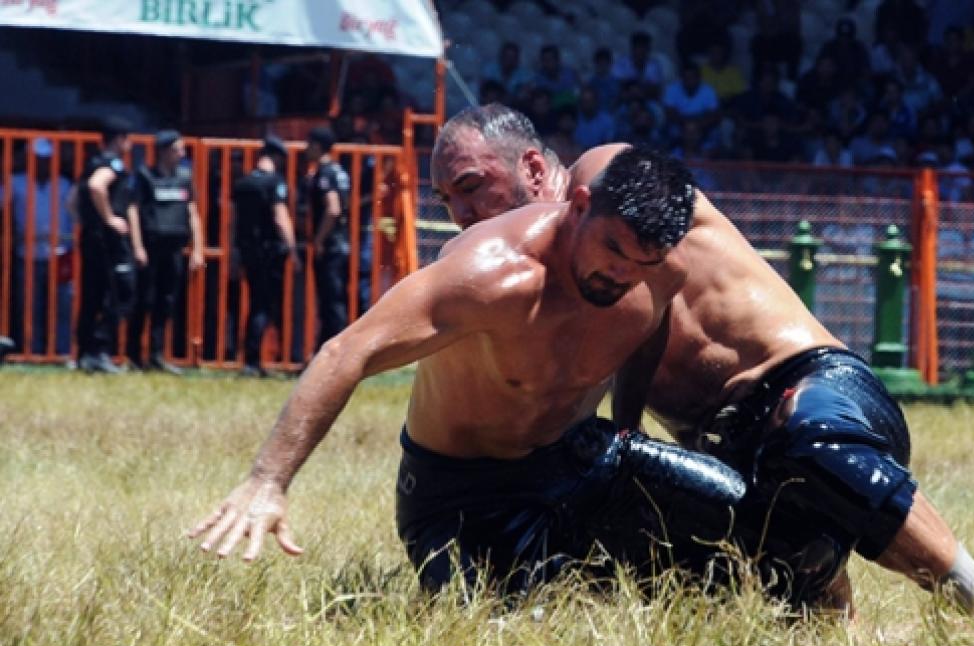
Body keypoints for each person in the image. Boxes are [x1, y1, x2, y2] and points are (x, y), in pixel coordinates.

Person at [428, 104, 974, 646]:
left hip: (820, 392)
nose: (460, 212)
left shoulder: (610, 179)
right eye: (448, 200)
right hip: (735, 457)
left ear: (536, 169)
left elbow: (647, 302)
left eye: (470, 186)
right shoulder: (541, 287)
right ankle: (853, 633)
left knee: (808, 446)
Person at [189, 147, 753, 600]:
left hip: (578, 460)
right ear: (579, 206)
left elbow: (647, 329)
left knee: (755, 525)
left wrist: (628, 425)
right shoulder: (490, 277)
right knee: (511, 617)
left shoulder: (660, 271)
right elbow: (346, 353)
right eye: (613, 250)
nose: (621, 274)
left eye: (642, 264)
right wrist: (268, 480)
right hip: (459, 494)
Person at [127, 130, 205, 374]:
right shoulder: (145, 176)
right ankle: (133, 355)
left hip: (174, 247)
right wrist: (138, 246)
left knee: (166, 301)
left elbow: (192, 212)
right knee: (143, 300)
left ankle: (157, 354)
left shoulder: (184, 177)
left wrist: (198, 249)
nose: (182, 153)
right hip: (151, 246)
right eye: (177, 148)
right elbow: (133, 211)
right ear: (163, 150)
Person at [73, 116, 139, 374]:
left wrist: (88, 221)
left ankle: (85, 354)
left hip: (92, 238)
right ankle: (99, 351)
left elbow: (72, 201)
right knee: (121, 292)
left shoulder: (90, 163)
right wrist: (110, 218)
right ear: (120, 140)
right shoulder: (112, 164)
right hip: (108, 242)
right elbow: (96, 186)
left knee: (92, 296)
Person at [233, 137, 298, 378]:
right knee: (265, 305)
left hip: (249, 252)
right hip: (270, 253)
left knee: (254, 303)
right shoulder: (274, 183)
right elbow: (280, 217)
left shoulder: (243, 183)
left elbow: (234, 222)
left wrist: (234, 253)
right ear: (277, 157)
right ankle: (256, 359)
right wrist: (292, 249)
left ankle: (250, 358)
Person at [4, 137, 75, 356]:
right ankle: (31, 350)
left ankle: (61, 351)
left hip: (60, 253)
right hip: (27, 253)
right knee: (29, 307)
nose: (42, 163)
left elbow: (74, 216)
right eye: (37, 158)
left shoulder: (64, 184)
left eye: (46, 159)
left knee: (62, 306)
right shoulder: (15, 182)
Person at [303, 126, 351, 351]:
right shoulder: (339, 171)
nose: (306, 148)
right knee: (335, 301)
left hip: (331, 246)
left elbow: (332, 209)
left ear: (318, 146)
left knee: (330, 304)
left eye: (309, 143)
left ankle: (334, 355)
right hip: (341, 244)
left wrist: (319, 240)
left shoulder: (325, 174)